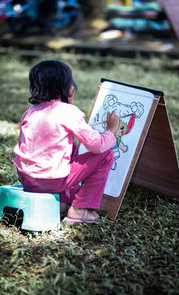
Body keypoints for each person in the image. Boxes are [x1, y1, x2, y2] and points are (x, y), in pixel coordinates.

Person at [13, 59, 119, 225]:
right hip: (52, 180)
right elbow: (97, 146)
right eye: (71, 82)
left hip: (27, 180)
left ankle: (62, 202)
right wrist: (110, 130)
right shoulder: (69, 112)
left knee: (72, 149)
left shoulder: (30, 112)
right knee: (105, 155)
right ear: (63, 88)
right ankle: (80, 209)